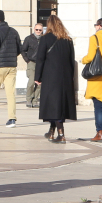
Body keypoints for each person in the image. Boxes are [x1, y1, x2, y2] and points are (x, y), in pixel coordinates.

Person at [34, 14, 78, 144]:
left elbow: (40, 59)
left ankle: (61, 134)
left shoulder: (45, 39)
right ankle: (51, 131)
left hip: (50, 77)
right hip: (65, 78)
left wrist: (38, 77)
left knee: (54, 105)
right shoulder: (67, 40)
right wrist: (71, 78)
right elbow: (72, 60)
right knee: (58, 105)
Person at [0, 10, 22, 127]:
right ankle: (12, 119)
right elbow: (19, 49)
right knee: (10, 93)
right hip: (11, 66)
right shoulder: (13, 31)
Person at [82, 18, 102, 142]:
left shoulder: (94, 38)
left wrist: (83, 60)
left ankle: (99, 132)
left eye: (95, 25)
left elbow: (90, 57)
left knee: (98, 107)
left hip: (97, 77)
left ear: (99, 26)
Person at [21, 23, 45, 108]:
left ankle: (35, 100)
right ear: (34, 29)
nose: (38, 31)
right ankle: (28, 99)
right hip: (31, 62)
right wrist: (27, 60)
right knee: (31, 81)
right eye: (37, 29)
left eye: (40, 30)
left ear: (42, 31)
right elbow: (23, 50)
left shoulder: (44, 39)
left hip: (41, 63)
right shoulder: (28, 39)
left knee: (39, 83)